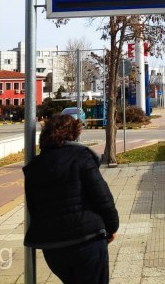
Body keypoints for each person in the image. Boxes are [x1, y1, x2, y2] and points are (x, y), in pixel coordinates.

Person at [23, 114, 119, 284]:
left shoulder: (34, 167)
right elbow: (102, 197)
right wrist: (111, 228)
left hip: (54, 249)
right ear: (73, 133)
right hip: (86, 241)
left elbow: (33, 208)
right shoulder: (81, 156)